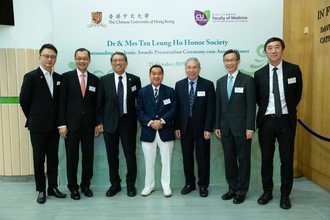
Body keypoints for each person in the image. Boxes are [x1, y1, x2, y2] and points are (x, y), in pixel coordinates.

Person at [254, 37, 303, 209]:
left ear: (282, 50)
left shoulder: (293, 70)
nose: (273, 51)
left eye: (276, 47)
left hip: (286, 122)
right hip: (266, 121)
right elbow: (259, 98)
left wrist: (285, 110)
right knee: (266, 159)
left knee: (286, 159)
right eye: (269, 48)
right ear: (265, 51)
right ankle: (267, 192)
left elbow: (297, 95)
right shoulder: (259, 74)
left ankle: (285, 195)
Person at [19, 44, 66, 204]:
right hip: (38, 127)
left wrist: (60, 123)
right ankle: (41, 189)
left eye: (52, 57)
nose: (49, 59)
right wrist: (34, 117)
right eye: (46, 56)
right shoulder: (31, 76)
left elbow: (60, 104)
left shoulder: (59, 78)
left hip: (54, 127)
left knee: (53, 159)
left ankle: (52, 187)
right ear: (40, 57)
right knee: (39, 159)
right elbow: (24, 101)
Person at [96, 52, 141, 197]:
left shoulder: (135, 79)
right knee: (112, 156)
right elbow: (99, 103)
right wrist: (99, 122)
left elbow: (138, 103)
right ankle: (115, 184)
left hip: (128, 123)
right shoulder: (104, 80)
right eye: (115, 60)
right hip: (109, 124)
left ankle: (130, 184)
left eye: (121, 60)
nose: (118, 63)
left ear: (126, 63)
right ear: (111, 63)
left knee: (130, 156)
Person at [215, 49, 256, 204]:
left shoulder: (247, 80)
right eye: (226, 60)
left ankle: (241, 191)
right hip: (225, 129)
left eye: (232, 60)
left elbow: (251, 106)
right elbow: (218, 106)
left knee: (244, 160)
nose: (229, 63)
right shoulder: (220, 81)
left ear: (238, 61)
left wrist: (250, 127)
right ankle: (232, 189)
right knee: (229, 160)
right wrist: (217, 125)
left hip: (243, 129)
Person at [58, 48, 99, 200]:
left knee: (88, 158)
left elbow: (96, 105)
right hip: (71, 126)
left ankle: (85, 185)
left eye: (85, 58)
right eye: (79, 58)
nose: (82, 61)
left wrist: (97, 123)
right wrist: (61, 124)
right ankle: (73, 187)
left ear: (89, 60)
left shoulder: (95, 80)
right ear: (75, 59)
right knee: (72, 158)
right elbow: (61, 103)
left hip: (89, 126)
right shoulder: (66, 78)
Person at [174, 57, 215, 197]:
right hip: (185, 127)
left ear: (199, 69)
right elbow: (177, 108)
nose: (191, 70)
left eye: (194, 67)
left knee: (203, 157)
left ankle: (203, 185)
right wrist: (177, 127)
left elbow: (211, 109)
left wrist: (209, 128)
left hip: (202, 128)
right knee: (187, 157)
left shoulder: (208, 85)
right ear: (185, 69)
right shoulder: (179, 85)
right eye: (189, 67)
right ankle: (189, 183)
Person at [136, 65, 176, 197]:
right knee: (149, 161)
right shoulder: (142, 92)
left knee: (166, 161)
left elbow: (174, 110)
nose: (156, 76)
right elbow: (139, 111)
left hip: (166, 131)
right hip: (148, 132)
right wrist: (151, 122)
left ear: (162, 75)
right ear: (149, 75)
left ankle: (166, 186)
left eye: (159, 74)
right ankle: (149, 185)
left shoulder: (170, 91)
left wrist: (162, 121)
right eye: (153, 73)